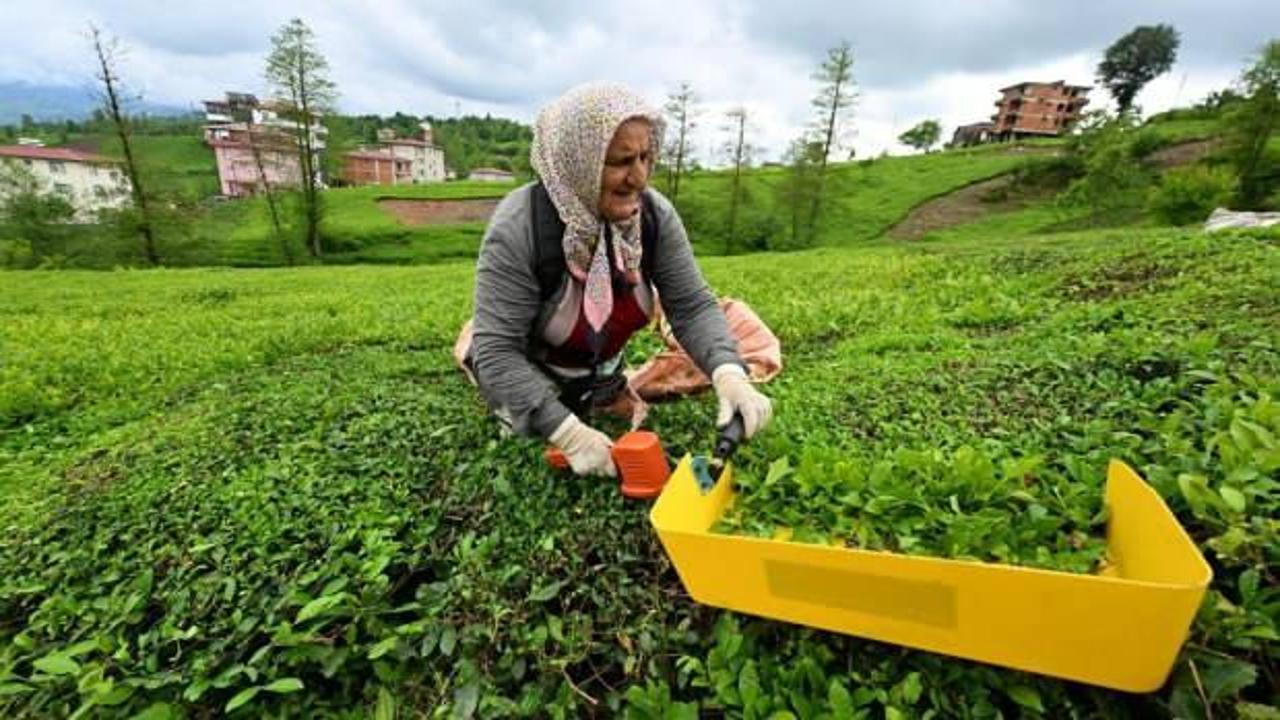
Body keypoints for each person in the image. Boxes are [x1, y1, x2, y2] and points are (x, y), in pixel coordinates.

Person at [461, 82, 772, 478]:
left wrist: (729, 373)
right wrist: (569, 434)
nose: (639, 177)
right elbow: (497, 351)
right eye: (621, 161)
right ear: (578, 161)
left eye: (645, 156)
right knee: (522, 416)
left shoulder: (653, 216)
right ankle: (540, 409)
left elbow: (691, 305)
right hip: (534, 372)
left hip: (602, 373)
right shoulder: (519, 228)